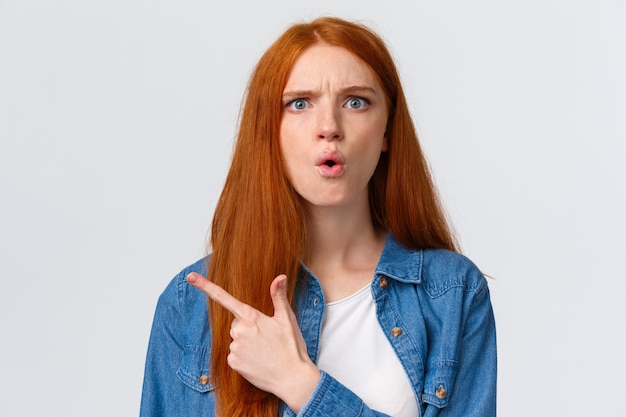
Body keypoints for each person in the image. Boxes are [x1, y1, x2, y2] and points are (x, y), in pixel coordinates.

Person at [140, 16, 497, 417]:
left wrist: (301, 384)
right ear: (269, 132)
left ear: (387, 133)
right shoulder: (189, 305)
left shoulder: (452, 293)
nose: (329, 127)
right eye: (299, 103)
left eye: (356, 102)